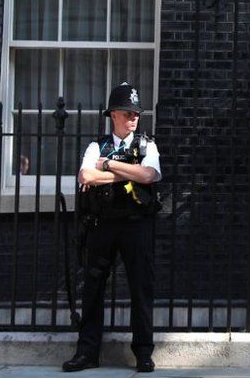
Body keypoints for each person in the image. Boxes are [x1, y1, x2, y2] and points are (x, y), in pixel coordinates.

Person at [62, 82, 162, 373]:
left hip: (136, 225)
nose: (134, 118)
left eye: (136, 114)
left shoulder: (147, 145)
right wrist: (121, 169)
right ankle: (87, 352)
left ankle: (143, 352)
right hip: (102, 224)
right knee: (92, 287)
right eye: (128, 113)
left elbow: (148, 174)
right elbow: (86, 176)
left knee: (141, 287)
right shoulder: (97, 145)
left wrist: (109, 166)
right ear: (114, 114)